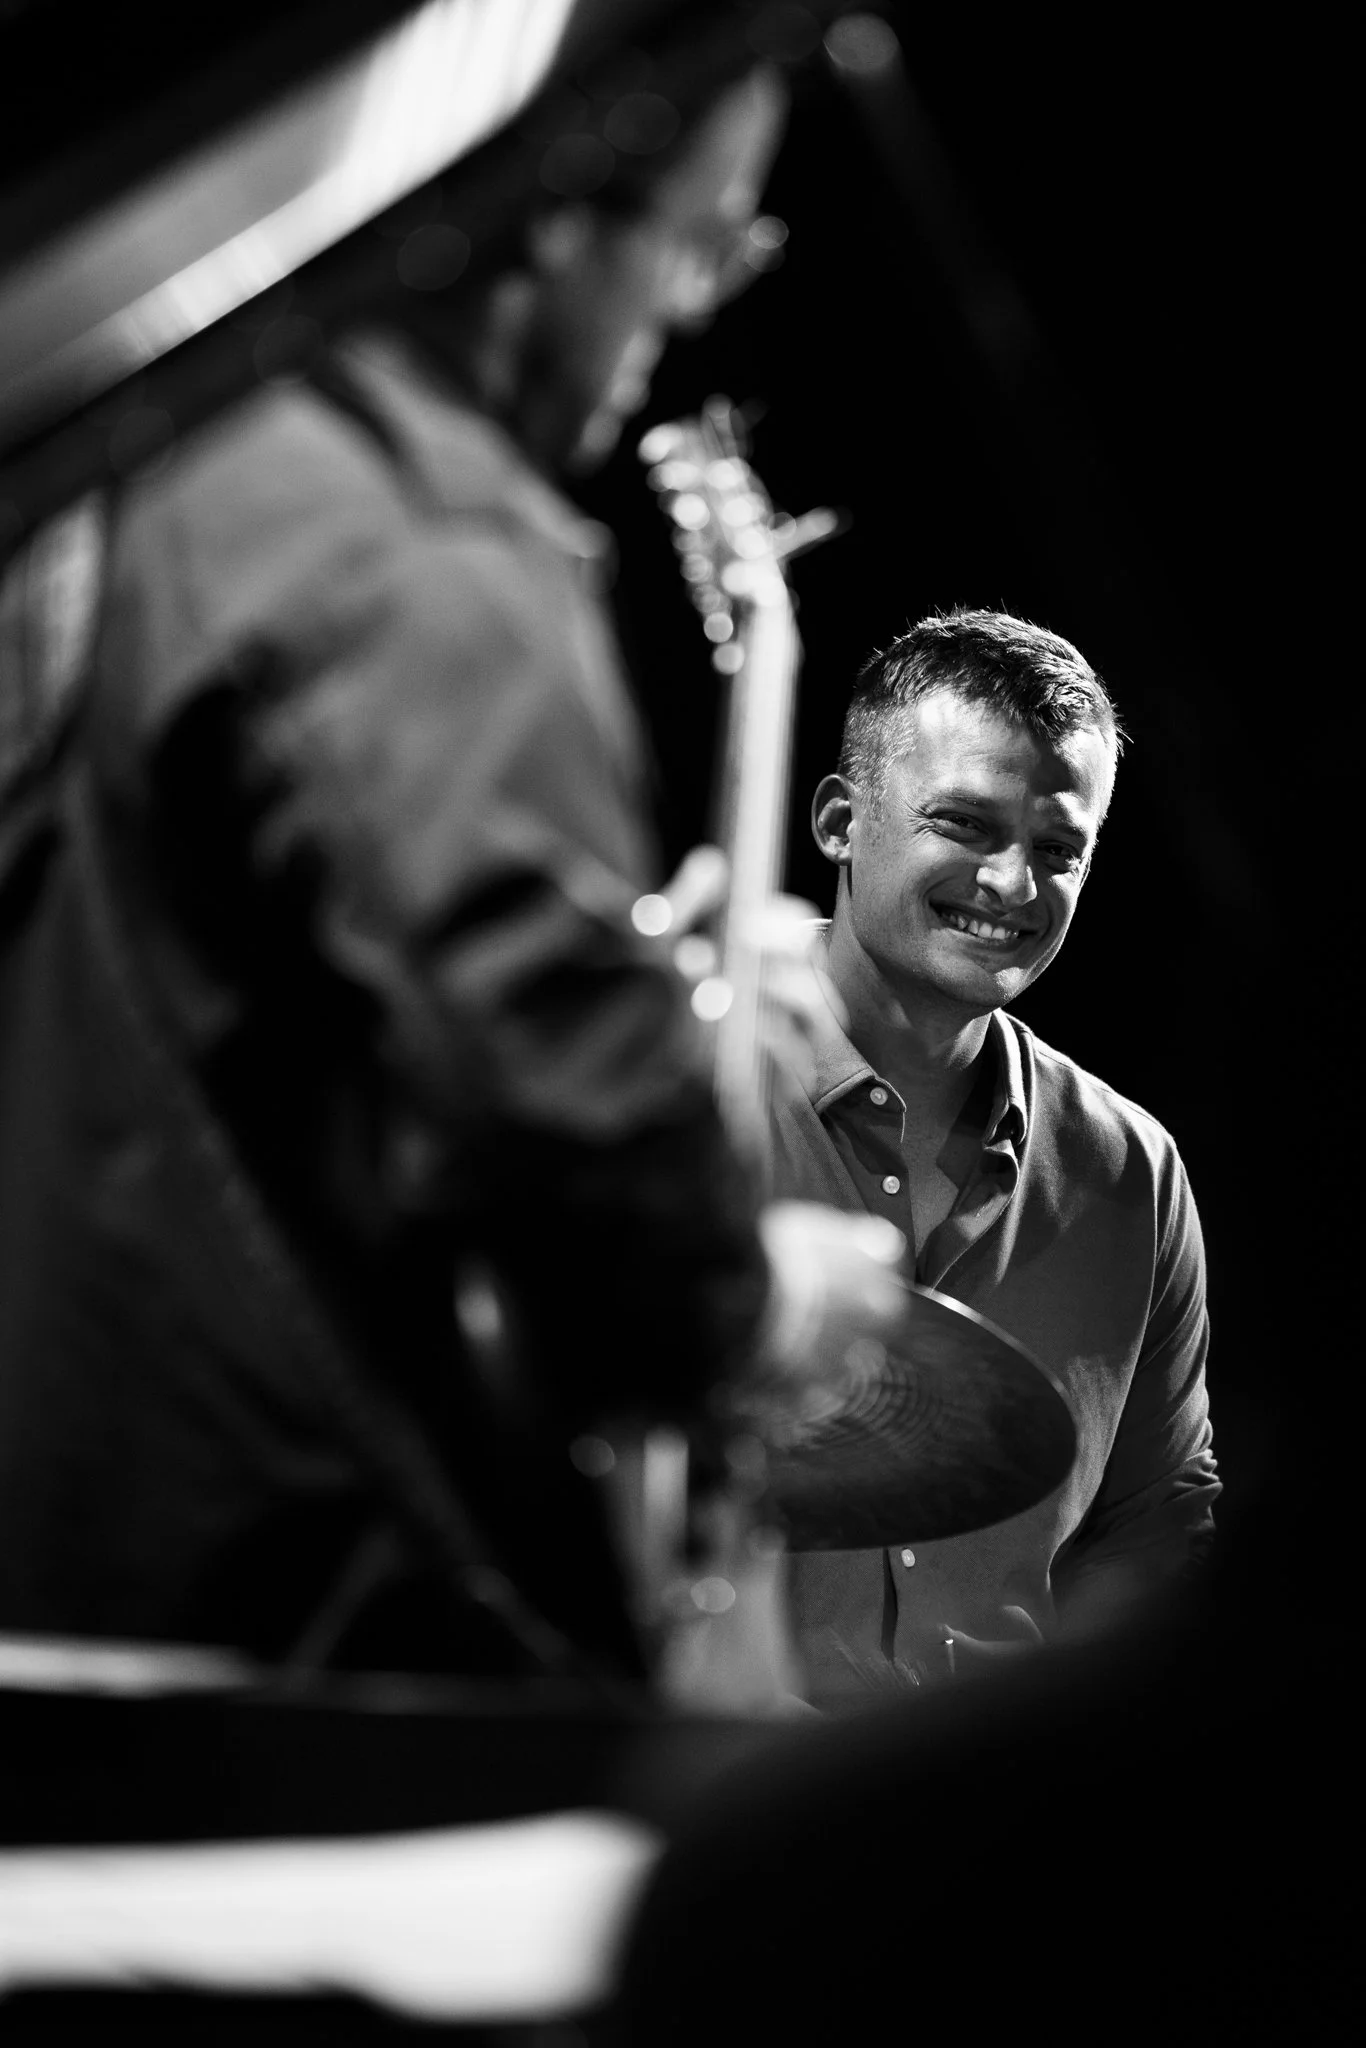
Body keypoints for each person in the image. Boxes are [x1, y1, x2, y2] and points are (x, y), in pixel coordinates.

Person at [0, 39, 903, 1691]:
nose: (692, 310)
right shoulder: (412, 549)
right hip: (301, 1643)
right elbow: (555, 1101)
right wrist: (747, 1298)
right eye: (700, 241)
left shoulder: (162, 463)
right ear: (561, 215)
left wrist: (645, 964)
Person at [770, 607, 1219, 1708]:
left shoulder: (1132, 1170)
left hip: (991, 1838)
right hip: (689, 1797)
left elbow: (1155, 1530)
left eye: (1059, 848)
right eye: (964, 824)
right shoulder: (672, 1094)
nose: (1015, 884)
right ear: (838, 819)